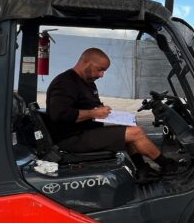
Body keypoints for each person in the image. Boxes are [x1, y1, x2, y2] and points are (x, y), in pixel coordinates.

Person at [46, 48, 170, 177]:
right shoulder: (65, 83)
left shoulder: (88, 82)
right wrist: (93, 113)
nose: (101, 75)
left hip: (85, 131)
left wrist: (102, 110)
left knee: (130, 126)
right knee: (136, 133)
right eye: (100, 69)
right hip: (71, 138)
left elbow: (91, 106)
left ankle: (142, 169)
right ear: (85, 61)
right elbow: (59, 114)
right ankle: (168, 166)